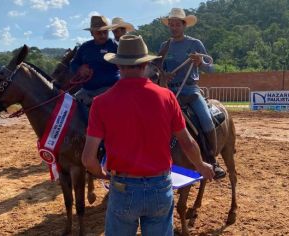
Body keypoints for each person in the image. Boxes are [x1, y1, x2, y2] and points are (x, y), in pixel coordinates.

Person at [81, 35, 214, 236]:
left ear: (119, 66)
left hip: (123, 187)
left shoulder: (100, 103)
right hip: (159, 186)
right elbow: (187, 142)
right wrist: (202, 165)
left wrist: (102, 174)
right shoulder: (167, 97)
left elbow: (87, 159)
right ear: (145, 64)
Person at [159, 8, 226, 179]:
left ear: (184, 25)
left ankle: (212, 159)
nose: (173, 28)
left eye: (177, 25)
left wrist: (200, 62)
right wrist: (164, 75)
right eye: (171, 25)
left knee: (206, 120)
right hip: (169, 92)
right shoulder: (164, 46)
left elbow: (211, 68)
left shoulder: (195, 43)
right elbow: (157, 69)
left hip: (190, 90)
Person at [70, 15, 119, 122]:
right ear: (91, 33)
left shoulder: (115, 46)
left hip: (111, 90)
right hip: (87, 90)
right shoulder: (84, 47)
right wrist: (79, 69)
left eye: (105, 32)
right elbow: (73, 63)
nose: (102, 35)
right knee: (69, 107)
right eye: (98, 32)